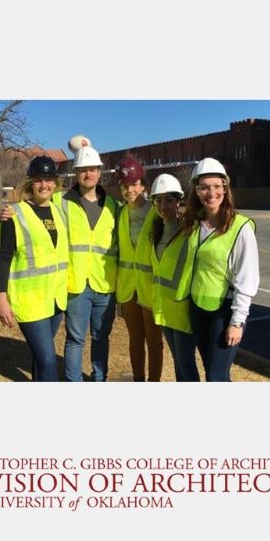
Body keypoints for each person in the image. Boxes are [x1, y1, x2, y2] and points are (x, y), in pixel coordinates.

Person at [177, 157, 259, 381]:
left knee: (216, 376)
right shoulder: (195, 223)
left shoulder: (240, 228)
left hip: (224, 311)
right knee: (212, 371)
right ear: (196, 190)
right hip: (198, 307)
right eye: (204, 187)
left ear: (225, 188)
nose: (210, 192)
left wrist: (237, 322)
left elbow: (247, 278)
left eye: (216, 186)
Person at [0, 155, 69, 381]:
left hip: (55, 299)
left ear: (55, 183)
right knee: (48, 360)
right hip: (30, 302)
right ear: (30, 183)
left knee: (40, 357)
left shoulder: (59, 212)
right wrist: (1, 297)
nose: (44, 185)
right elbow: (5, 257)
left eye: (48, 179)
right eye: (38, 180)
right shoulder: (15, 214)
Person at [58, 142, 120, 381]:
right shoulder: (61, 200)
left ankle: (99, 379)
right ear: (76, 172)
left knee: (101, 337)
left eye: (93, 168)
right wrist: (10, 213)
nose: (89, 173)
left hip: (105, 284)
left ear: (99, 171)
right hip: (76, 284)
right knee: (75, 339)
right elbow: (35, 208)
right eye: (83, 169)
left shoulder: (113, 205)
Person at [115, 156, 163, 381]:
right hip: (128, 288)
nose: (129, 190)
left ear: (143, 185)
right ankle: (138, 381)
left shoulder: (156, 213)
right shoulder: (120, 213)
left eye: (134, 184)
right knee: (135, 340)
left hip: (150, 288)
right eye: (125, 186)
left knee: (154, 342)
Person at [148, 173, 199, 382]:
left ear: (179, 201)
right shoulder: (156, 231)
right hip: (164, 309)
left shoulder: (190, 230)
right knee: (178, 362)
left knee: (186, 364)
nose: (163, 206)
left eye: (169, 200)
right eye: (158, 200)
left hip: (182, 310)